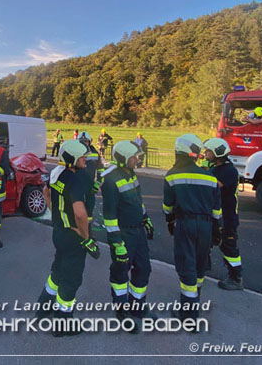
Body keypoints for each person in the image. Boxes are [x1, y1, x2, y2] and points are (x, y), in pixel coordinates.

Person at [34, 140, 100, 336]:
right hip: (73, 236)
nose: (85, 159)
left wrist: (57, 215)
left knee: (58, 271)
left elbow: (46, 193)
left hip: (59, 232)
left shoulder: (57, 173)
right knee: (71, 280)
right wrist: (86, 237)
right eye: (82, 157)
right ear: (72, 159)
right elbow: (80, 214)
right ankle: (62, 325)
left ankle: (43, 308)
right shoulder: (76, 179)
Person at [162, 134, 222, 324]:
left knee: (186, 265)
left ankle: (188, 316)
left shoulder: (172, 175)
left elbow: (168, 206)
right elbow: (216, 209)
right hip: (206, 225)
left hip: (185, 223)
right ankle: (195, 300)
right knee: (199, 264)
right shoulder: (209, 176)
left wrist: (171, 222)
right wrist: (217, 230)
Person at [101, 141, 156, 328]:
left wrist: (146, 218)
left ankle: (138, 306)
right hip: (123, 233)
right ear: (124, 159)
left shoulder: (131, 174)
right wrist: (117, 243)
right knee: (121, 271)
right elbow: (109, 217)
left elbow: (138, 201)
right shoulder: (110, 180)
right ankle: (121, 310)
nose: (137, 160)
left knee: (144, 268)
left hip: (137, 230)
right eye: (134, 157)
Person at [203, 138, 243, 291]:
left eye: (208, 151)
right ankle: (203, 268)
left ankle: (236, 278)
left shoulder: (228, 171)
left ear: (218, 154)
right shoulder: (216, 167)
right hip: (215, 215)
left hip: (227, 218)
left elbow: (214, 185)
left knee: (228, 247)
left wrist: (202, 173)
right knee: (206, 242)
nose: (206, 154)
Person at [77, 132, 100, 224]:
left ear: (90, 142)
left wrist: (97, 184)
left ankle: (88, 229)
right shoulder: (75, 152)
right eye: (81, 141)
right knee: (77, 206)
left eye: (86, 141)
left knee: (89, 207)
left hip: (90, 185)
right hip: (77, 184)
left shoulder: (94, 153)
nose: (84, 143)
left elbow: (101, 170)